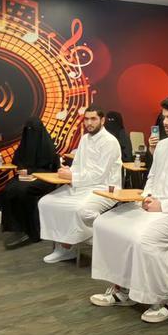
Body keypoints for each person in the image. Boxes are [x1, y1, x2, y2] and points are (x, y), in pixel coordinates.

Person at [89, 95, 168, 323]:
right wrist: (146, 197)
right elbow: (152, 177)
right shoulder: (162, 146)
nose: (165, 122)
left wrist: (162, 205)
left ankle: (167, 300)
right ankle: (123, 289)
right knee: (105, 223)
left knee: (144, 238)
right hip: (152, 207)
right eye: (164, 117)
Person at [40, 104, 122, 263]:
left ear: (102, 120)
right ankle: (64, 248)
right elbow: (77, 165)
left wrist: (72, 177)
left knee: (81, 210)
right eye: (86, 119)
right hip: (81, 185)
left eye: (93, 119)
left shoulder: (110, 142)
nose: (89, 123)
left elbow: (99, 175)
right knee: (46, 202)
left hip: (104, 189)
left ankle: (101, 238)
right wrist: (68, 171)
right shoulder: (85, 139)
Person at [0, 117, 60, 249]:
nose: (30, 133)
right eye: (28, 130)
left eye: (33, 130)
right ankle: (16, 227)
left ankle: (31, 231)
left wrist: (32, 171)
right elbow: (17, 161)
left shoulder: (47, 146)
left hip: (44, 178)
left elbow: (51, 168)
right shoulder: (24, 144)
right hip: (26, 177)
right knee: (9, 188)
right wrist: (22, 169)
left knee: (23, 191)